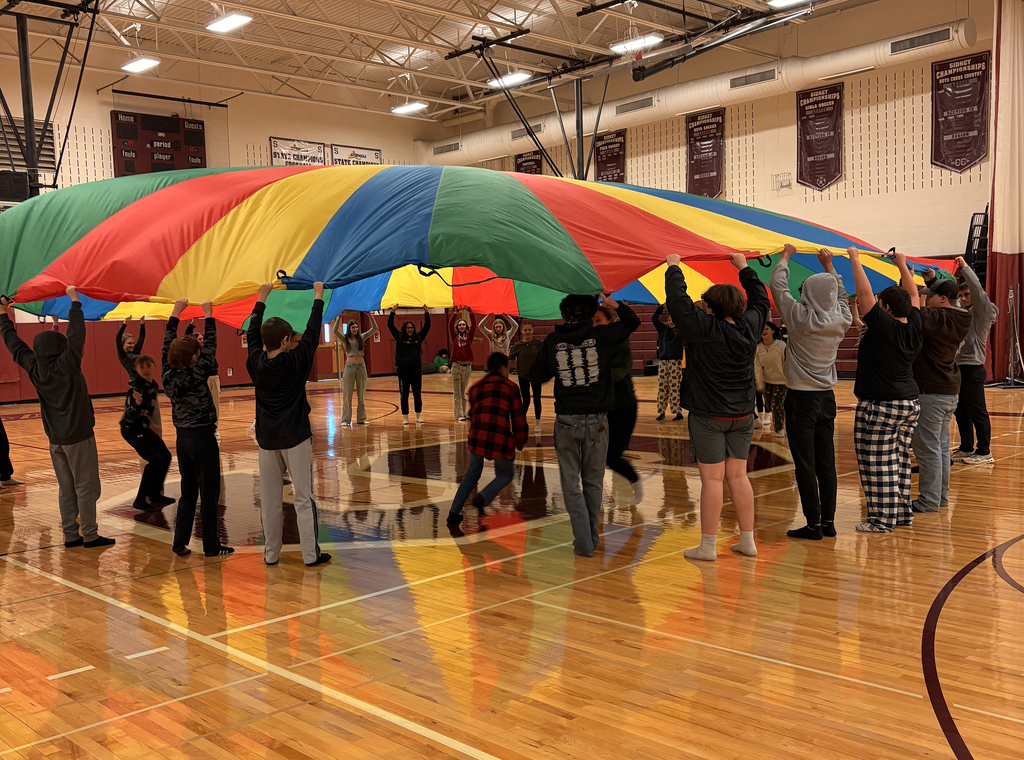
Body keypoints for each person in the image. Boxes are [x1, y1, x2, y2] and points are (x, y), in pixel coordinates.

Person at [666, 253, 769, 561]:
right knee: (738, 476)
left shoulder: (702, 328)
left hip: (708, 416)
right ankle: (747, 541)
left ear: (710, 307)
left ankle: (708, 546)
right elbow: (761, 299)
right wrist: (744, 268)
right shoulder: (750, 327)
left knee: (712, 479)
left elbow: (677, 301)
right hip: (742, 415)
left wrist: (674, 266)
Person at [0, 288, 113, 547]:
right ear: (61, 350)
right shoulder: (68, 366)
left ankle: (71, 535)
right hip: (78, 436)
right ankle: (91, 533)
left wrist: (3, 315)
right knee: (87, 487)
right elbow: (76, 336)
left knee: (67, 487)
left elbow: (14, 345)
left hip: (55, 440)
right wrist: (75, 301)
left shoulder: (34, 367)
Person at [533, 294, 640, 557]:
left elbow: (536, 375)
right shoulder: (602, 337)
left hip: (566, 420)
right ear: (591, 312)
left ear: (563, 313)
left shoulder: (553, 340)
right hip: (597, 421)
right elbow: (632, 321)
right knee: (593, 482)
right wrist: (613, 302)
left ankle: (583, 541)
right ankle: (591, 537)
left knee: (570, 485)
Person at [770, 245, 852, 540]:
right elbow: (841, 296)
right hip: (826, 399)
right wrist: (829, 267)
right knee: (826, 462)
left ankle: (813, 524)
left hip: (800, 401)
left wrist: (784, 258)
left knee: (805, 464)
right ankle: (828, 523)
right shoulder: (842, 319)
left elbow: (778, 287)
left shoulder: (799, 318)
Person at [248, 282, 331, 567]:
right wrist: (317, 295)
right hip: (295, 438)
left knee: (270, 500)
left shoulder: (255, 364)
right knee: (303, 498)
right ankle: (310, 555)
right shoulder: (297, 362)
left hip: (267, 440)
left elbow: (251, 331)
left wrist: (262, 297)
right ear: (285, 340)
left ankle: (271, 555)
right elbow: (312, 332)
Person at [848, 248, 923, 533]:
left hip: (880, 405)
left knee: (877, 464)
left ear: (887, 309)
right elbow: (914, 296)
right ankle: (901, 513)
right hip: (909, 403)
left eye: (881, 303)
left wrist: (855, 260)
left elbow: (865, 296)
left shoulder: (883, 327)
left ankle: (882, 519)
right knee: (900, 459)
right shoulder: (914, 326)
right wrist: (903, 266)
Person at [164, 299, 232, 557]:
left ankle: (179, 542)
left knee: (188, 492)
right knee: (210, 493)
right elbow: (211, 347)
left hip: (182, 440)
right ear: (193, 358)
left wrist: (175, 314)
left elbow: (165, 346)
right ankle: (212, 547)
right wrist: (209, 314)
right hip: (203, 438)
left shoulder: (167, 375)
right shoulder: (198, 373)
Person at [910, 272, 972, 513]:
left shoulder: (937, 318)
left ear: (943, 299)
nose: (927, 299)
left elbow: (914, 309)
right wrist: (931, 280)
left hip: (931, 392)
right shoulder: (961, 317)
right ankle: (941, 497)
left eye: (931, 296)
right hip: (948, 391)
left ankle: (928, 501)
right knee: (940, 447)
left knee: (927, 450)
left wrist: (905, 269)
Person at [447, 352, 529, 524]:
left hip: (477, 437)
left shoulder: (476, 387)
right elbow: (518, 419)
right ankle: (483, 497)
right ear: (503, 367)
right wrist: (520, 442)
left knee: (471, 475)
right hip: (499, 438)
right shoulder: (511, 388)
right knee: (506, 474)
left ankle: (454, 512)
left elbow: (472, 415)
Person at [951, 256, 999, 465]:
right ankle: (966, 447)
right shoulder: (963, 313)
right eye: (961, 295)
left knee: (977, 410)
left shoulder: (982, 313)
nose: (964, 297)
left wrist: (966, 269)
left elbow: (979, 293)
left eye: (966, 294)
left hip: (973, 368)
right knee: (960, 409)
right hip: (958, 367)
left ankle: (984, 451)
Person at [594, 303, 642, 503]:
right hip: (603, 408)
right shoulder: (592, 343)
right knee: (595, 455)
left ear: (610, 322)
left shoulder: (619, 341)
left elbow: (619, 372)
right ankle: (594, 495)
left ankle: (635, 481)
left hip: (623, 408)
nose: (595, 325)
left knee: (612, 456)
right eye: (592, 322)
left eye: (598, 320)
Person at [119, 355, 174, 511]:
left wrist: (151, 423)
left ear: (154, 367)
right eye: (141, 367)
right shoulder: (136, 387)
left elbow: (148, 408)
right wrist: (135, 404)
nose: (145, 370)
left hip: (144, 427)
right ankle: (140, 499)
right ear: (136, 370)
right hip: (132, 430)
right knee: (155, 460)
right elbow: (130, 414)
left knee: (166, 456)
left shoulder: (153, 385)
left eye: (148, 366)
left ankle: (155, 494)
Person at [388, 308, 431, 425]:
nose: (410, 330)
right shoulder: (399, 337)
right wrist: (392, 312)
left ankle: (418, 415)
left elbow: (427, 326)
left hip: (416, 368)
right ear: (404, 329)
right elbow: (390, 325)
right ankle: (405, 417)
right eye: (408, 328)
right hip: (403, 369)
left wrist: (426, 313)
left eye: (411, 328)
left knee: (417, 392)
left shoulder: (418, 337)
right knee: (404, 393)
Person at [334, 314, 378, 426]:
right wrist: (338, 319)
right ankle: (345, 420)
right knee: (347, 394)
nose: (355, 329)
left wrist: (371, 317)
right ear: (349, 328)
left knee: (361, 394)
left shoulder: (361, 337)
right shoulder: (345, 338)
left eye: (356, 327)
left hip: (361, 366)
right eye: (353, 327)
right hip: (350, 366)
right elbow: (335, 331)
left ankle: (361, 418)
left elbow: (374, 329)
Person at [185, 318, 221, 439]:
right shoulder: (193, 351)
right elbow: (186, 336)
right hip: (203, 380)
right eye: (199, 339)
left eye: (202, 338)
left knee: (215, 404)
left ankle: (215, 429)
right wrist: (192, 325)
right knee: (204, 404)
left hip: (214, 378)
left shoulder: (206, 351)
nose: (202, 340)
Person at [754, 322, 788, 436]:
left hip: (782, 382)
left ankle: (780, 429)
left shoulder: (781, 346)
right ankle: (780, 426)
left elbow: (787, 363)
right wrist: (759, 384)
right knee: (771, 406)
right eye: (762, 329)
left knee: (777, 405)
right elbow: (757, 368)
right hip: (768, 382)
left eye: (766, 328)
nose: (764, 331)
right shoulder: (758, 348)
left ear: (773, 331)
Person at [652, 304, 685, 421]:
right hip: (663, 362)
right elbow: (654, 319)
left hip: (675, 362)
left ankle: (678, 412)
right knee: (662, 387)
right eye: (670, 319)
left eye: (673, 320)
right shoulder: (663, 330)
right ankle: (661, 412)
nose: (671, 322)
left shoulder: (681, 331)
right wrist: (661, 307)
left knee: (675, 387)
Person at [509, 322, 544, 427]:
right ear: (522, 331)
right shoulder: (517, 345)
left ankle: (538, 422)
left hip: (536, 375)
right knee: (526, 399)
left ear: (533, 330)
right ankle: (521, 421)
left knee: (537, 399)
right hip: (523, 375)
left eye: (529, 329)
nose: (527, 332)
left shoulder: (538, 343)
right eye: (525, 330)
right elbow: (510, 358)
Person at [448, 309, 476, 421]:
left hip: (467, 367)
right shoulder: (454, 337)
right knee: (457, 392)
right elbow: (450, 324)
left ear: (466, 326)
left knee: (463, 392)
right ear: (457, 327)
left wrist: (471, 313)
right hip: (456, 366)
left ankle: (463, 413)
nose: (462, 326)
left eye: (463, 324)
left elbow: (474, 325)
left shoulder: (469, 337)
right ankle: (458, 414)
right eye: (459, 325)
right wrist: (455, 314)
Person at [116, 317, 146, 382]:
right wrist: (125, 324)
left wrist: (142, 323)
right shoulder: (122, 355)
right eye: (129, 343)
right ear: (123, 344)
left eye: (133, 343)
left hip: (143, 379)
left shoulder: (135, 351)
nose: (132, 345)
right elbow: (118, 337)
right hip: (134, 381)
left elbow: (142, 337)